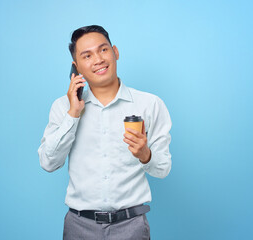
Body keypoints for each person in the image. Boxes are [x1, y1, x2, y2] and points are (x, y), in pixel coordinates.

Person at [38, 25, 172, 240]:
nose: (98, 59)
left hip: (132, 227)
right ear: (76, 67)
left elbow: (163, 168)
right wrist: (73, 113)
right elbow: (48, 163)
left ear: (115, 52)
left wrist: (145, 154)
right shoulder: (62, 107)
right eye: (87, 55)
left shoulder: (150, 104)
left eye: (103, 50)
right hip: (79, 227)